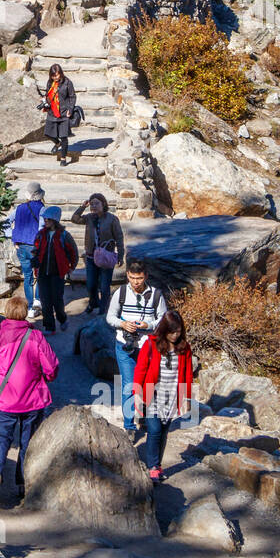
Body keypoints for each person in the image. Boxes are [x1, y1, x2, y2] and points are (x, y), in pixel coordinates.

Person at [0, 295, 59, 502]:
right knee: (28, 441)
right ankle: (22, 482)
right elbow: (52, 368)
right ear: (24, 313)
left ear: (7, 313)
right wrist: (46, 377)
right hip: (33, 400)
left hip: (4, 401)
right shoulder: (36, 337)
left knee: (0, 439)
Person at [106, 258, 168, 442]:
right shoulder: (121, 293)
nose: (135, 282)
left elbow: (164, 320)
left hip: (148, 347)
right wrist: (123, 324)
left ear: (146, 276)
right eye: (132, 277)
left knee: (150, 384)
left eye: (139, 278)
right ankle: (129, 426)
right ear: (127, 276)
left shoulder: (156, 295)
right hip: (124, 346)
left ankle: (149, 418)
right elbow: (110, 317)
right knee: (128, 386)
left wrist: (148, 324)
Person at [133, 309, 195, 482]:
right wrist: (137, 393)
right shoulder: (151, 344)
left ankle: (157, 465)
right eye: (171, 331)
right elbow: (140, 369)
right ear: (163, 329)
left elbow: (188, 375)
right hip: (153, 395)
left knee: (164, 432)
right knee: (154, 430)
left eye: (178, 331)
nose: (175, 335)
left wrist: (186, 398)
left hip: (172, 396)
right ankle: (153, 467)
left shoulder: (184, 348)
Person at [72, 193, 125, 316]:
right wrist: (82, 207)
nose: (94, 206)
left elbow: (119, 238)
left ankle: (103, 311)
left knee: (105, 287)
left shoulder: (112, 219)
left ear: (104, 204)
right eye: (92, 204)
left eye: (97, 203)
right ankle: (93, 303)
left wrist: (120, 255)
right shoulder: (89, 218)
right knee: (91, 285)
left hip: (106, 257)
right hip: (91, 257)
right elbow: (74, 219)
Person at [32, 205, 78, 334]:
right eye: (45, 219)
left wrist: (71, 267)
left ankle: (62, 319)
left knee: (57, 301)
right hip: (42, 273)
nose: (45, 221)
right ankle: (49, 327)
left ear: (55, 220)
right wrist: (34, 259)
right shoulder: (40, 235)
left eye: (48, 219)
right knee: (45, 302)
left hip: (57, 273)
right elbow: (36, 250)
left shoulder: (64, 235)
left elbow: (73, 252)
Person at [10, 182, 46, 317]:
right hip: (35, 247)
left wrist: (13, 238)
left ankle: (30, 308)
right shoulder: (42, 209)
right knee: (41, 274)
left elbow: (6, 222)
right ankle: (38, 300)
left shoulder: (19, 208)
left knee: (28, 277)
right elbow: (42, 228)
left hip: (21, 246)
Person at [39, 63, 76, 165]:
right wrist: (44, 100)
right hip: (52, 111)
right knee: (47, 133)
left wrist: (70, 109)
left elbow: (72, 96)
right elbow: (48, 94)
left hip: (64, 113)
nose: (55, 77)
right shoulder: (50, 82)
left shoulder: (68, 83)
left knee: (64, 136)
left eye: (57, 75)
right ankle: (57, 143)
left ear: (61, 74)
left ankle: (63, 158)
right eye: (53, 75)